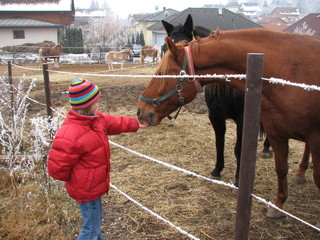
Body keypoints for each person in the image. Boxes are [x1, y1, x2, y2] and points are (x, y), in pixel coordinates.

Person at [47, 78, 146, 240]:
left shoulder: (96, 119)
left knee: (94, 226)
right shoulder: (71, 133)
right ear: (88, 105)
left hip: (94, 186)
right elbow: (56, 167)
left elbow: (115, 122)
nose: (99, 103)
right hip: (87, 190)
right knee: (90, 231)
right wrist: (76, 180)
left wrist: (135, 124)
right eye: (97, 101)